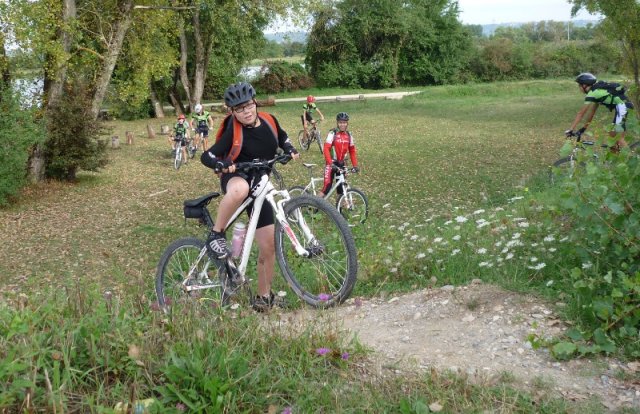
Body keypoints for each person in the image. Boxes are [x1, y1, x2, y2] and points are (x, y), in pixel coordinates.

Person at [200, 81, 300, 312]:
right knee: (240, 190)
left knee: (268, 246)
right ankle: (216, 234)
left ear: (255, 102)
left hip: (261, 184)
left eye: (248, 106)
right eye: (239, 109)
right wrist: (221, 163)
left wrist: (289, 149)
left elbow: (283, 138)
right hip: (237, 176)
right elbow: (208, 155)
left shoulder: (269, 121)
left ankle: (263, 298)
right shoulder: (232, 130)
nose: (246, 112)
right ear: (232, 111)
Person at [566, 72, 634, 150]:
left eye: (579, 85)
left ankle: (632, 159)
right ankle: (615, 158)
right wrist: (584, 128)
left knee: (618, 137)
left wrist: (571, 129)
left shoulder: (592, 93)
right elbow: (591, 114)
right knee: (612, 134)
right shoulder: (597, 91)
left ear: (584, 85)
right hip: (623, 106)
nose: (579, 88)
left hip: (623, 107)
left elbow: (581, 113)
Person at [319, 112, 359, 198]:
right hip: (331, 164)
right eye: (340, 122)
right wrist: (330, 163)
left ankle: (339, 209)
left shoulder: (349, 135)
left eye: (344, 122)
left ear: (347, 123)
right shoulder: (332, 133)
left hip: (341, 164)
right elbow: (326, 148)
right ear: (337, 123)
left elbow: (352, 151)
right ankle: (312, 205)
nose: (342, 124)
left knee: (341, 189)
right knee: (326, 188)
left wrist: (355, 165)